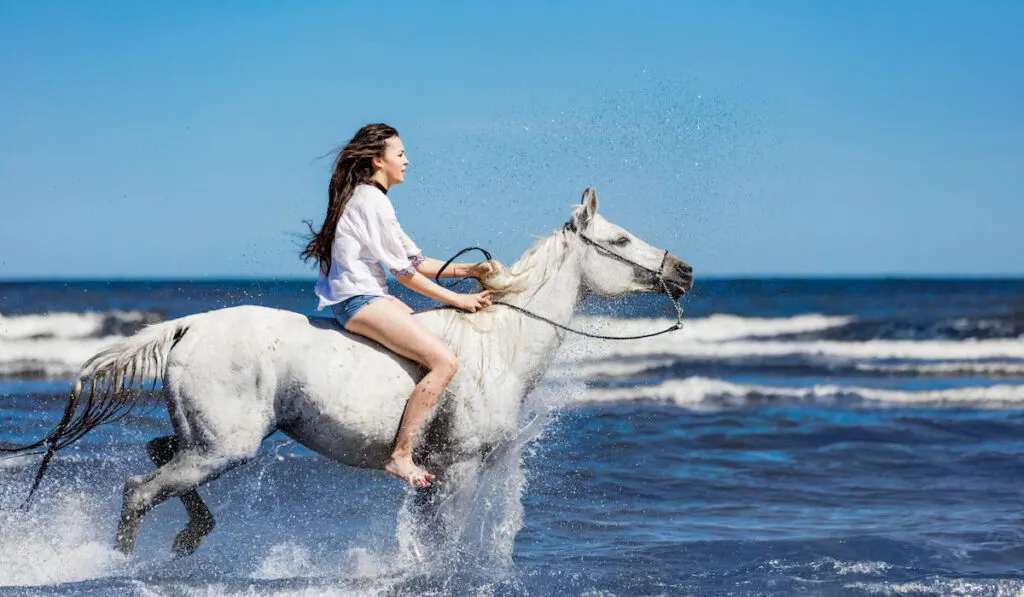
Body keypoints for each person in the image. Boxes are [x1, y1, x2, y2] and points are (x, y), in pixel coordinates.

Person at [301, 123, 493, 488]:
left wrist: (472, 269)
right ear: (377, 161)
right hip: (360, 302)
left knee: (437, 343)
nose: (407, 161)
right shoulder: (372, 201)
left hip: (369, 298)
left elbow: (419, 262)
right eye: (400, 154)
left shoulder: (368, 198)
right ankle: (401, 455)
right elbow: (405, 275)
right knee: (445, 361)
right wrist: (459, 298)